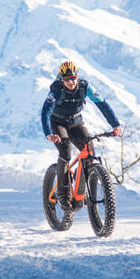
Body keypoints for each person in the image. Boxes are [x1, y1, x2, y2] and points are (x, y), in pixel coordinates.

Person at [40, 60, 122, 211]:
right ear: (61, 80)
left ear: (77, 76)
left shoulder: (85, 87)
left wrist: (115, 124)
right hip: (58, 124)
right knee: (65, 152)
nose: (71, 82)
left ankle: (82, 189)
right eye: (67, 80)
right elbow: (45, 112)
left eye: (73, 78)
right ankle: (63, 195)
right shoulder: (56, 90)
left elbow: (102, 104)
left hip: (76, 123)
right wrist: (49, 134)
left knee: (89, 152)